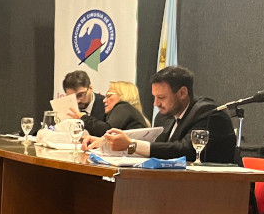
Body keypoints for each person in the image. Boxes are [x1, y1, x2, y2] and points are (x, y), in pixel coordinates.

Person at [95, 65, 236, 163]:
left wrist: (131, 144)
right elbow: (160, 149)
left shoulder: (208, 113)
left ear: (182, 93)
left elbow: (185, 150)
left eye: (161, 98)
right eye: (154, 97)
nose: (155, 104)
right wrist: (106, 143)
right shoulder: (164, 118)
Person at [62, 69, 110, 137]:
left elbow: (108, 132)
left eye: (80, 95)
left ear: (90, 88)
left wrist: (83, 118)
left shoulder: (106, 105)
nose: (77, 101)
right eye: (72, 97)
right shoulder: (63, 106)